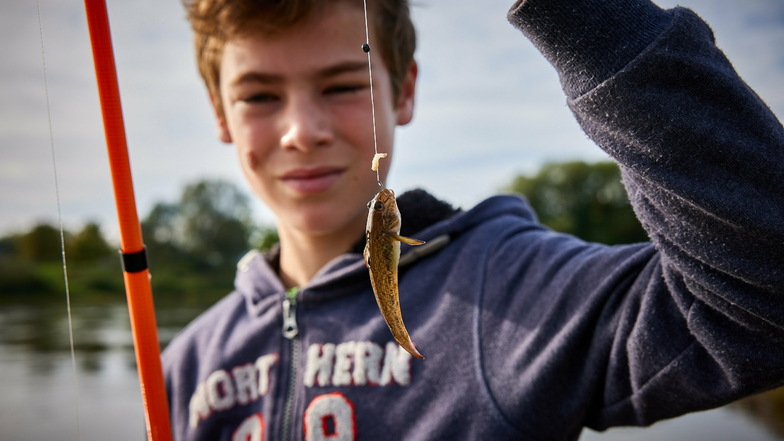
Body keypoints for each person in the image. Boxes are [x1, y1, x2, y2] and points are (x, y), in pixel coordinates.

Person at [162, 0, 784, 439]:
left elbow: (762, 304)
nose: (302, 132)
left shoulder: (513, 290)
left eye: (344, 85)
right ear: (220, 112)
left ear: (403, 91)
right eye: (259, 96)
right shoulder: (188, 362)